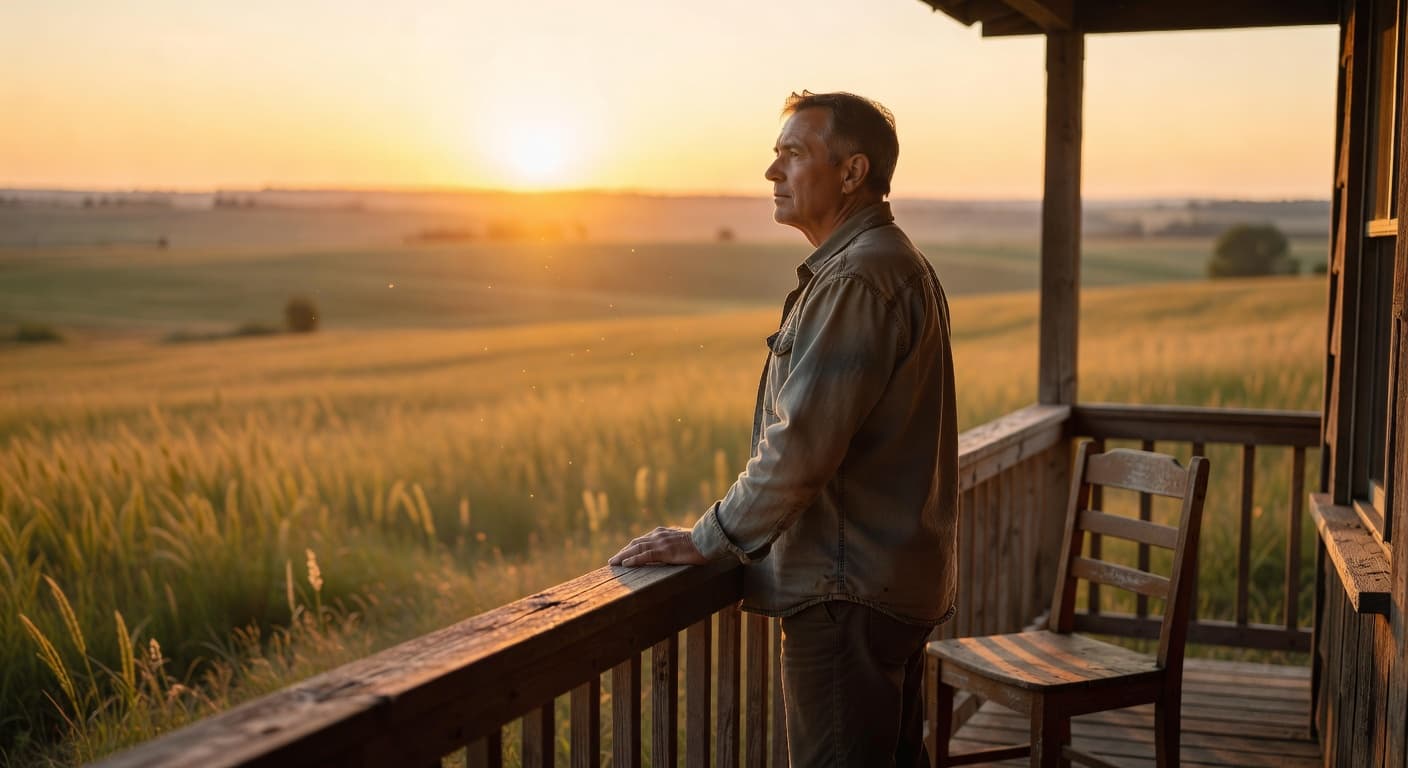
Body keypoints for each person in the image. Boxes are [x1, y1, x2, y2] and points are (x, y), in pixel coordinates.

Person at [608, 91, 958, 767]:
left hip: (845, 593)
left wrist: (708, 539)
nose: (772, 173)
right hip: (887, 587)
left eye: (793, 155)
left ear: (852, 173)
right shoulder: (892, 261)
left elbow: (798, 452)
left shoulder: (857, 278)